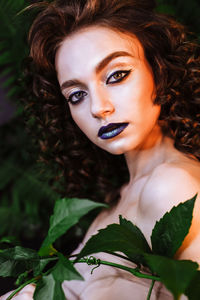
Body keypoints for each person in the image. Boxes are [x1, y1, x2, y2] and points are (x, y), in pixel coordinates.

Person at [1, 0, 200, 299]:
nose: (98, 108)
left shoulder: (170, 188)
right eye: (77, 94)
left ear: (159, 71)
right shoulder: (118, 197)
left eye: (116, 75)